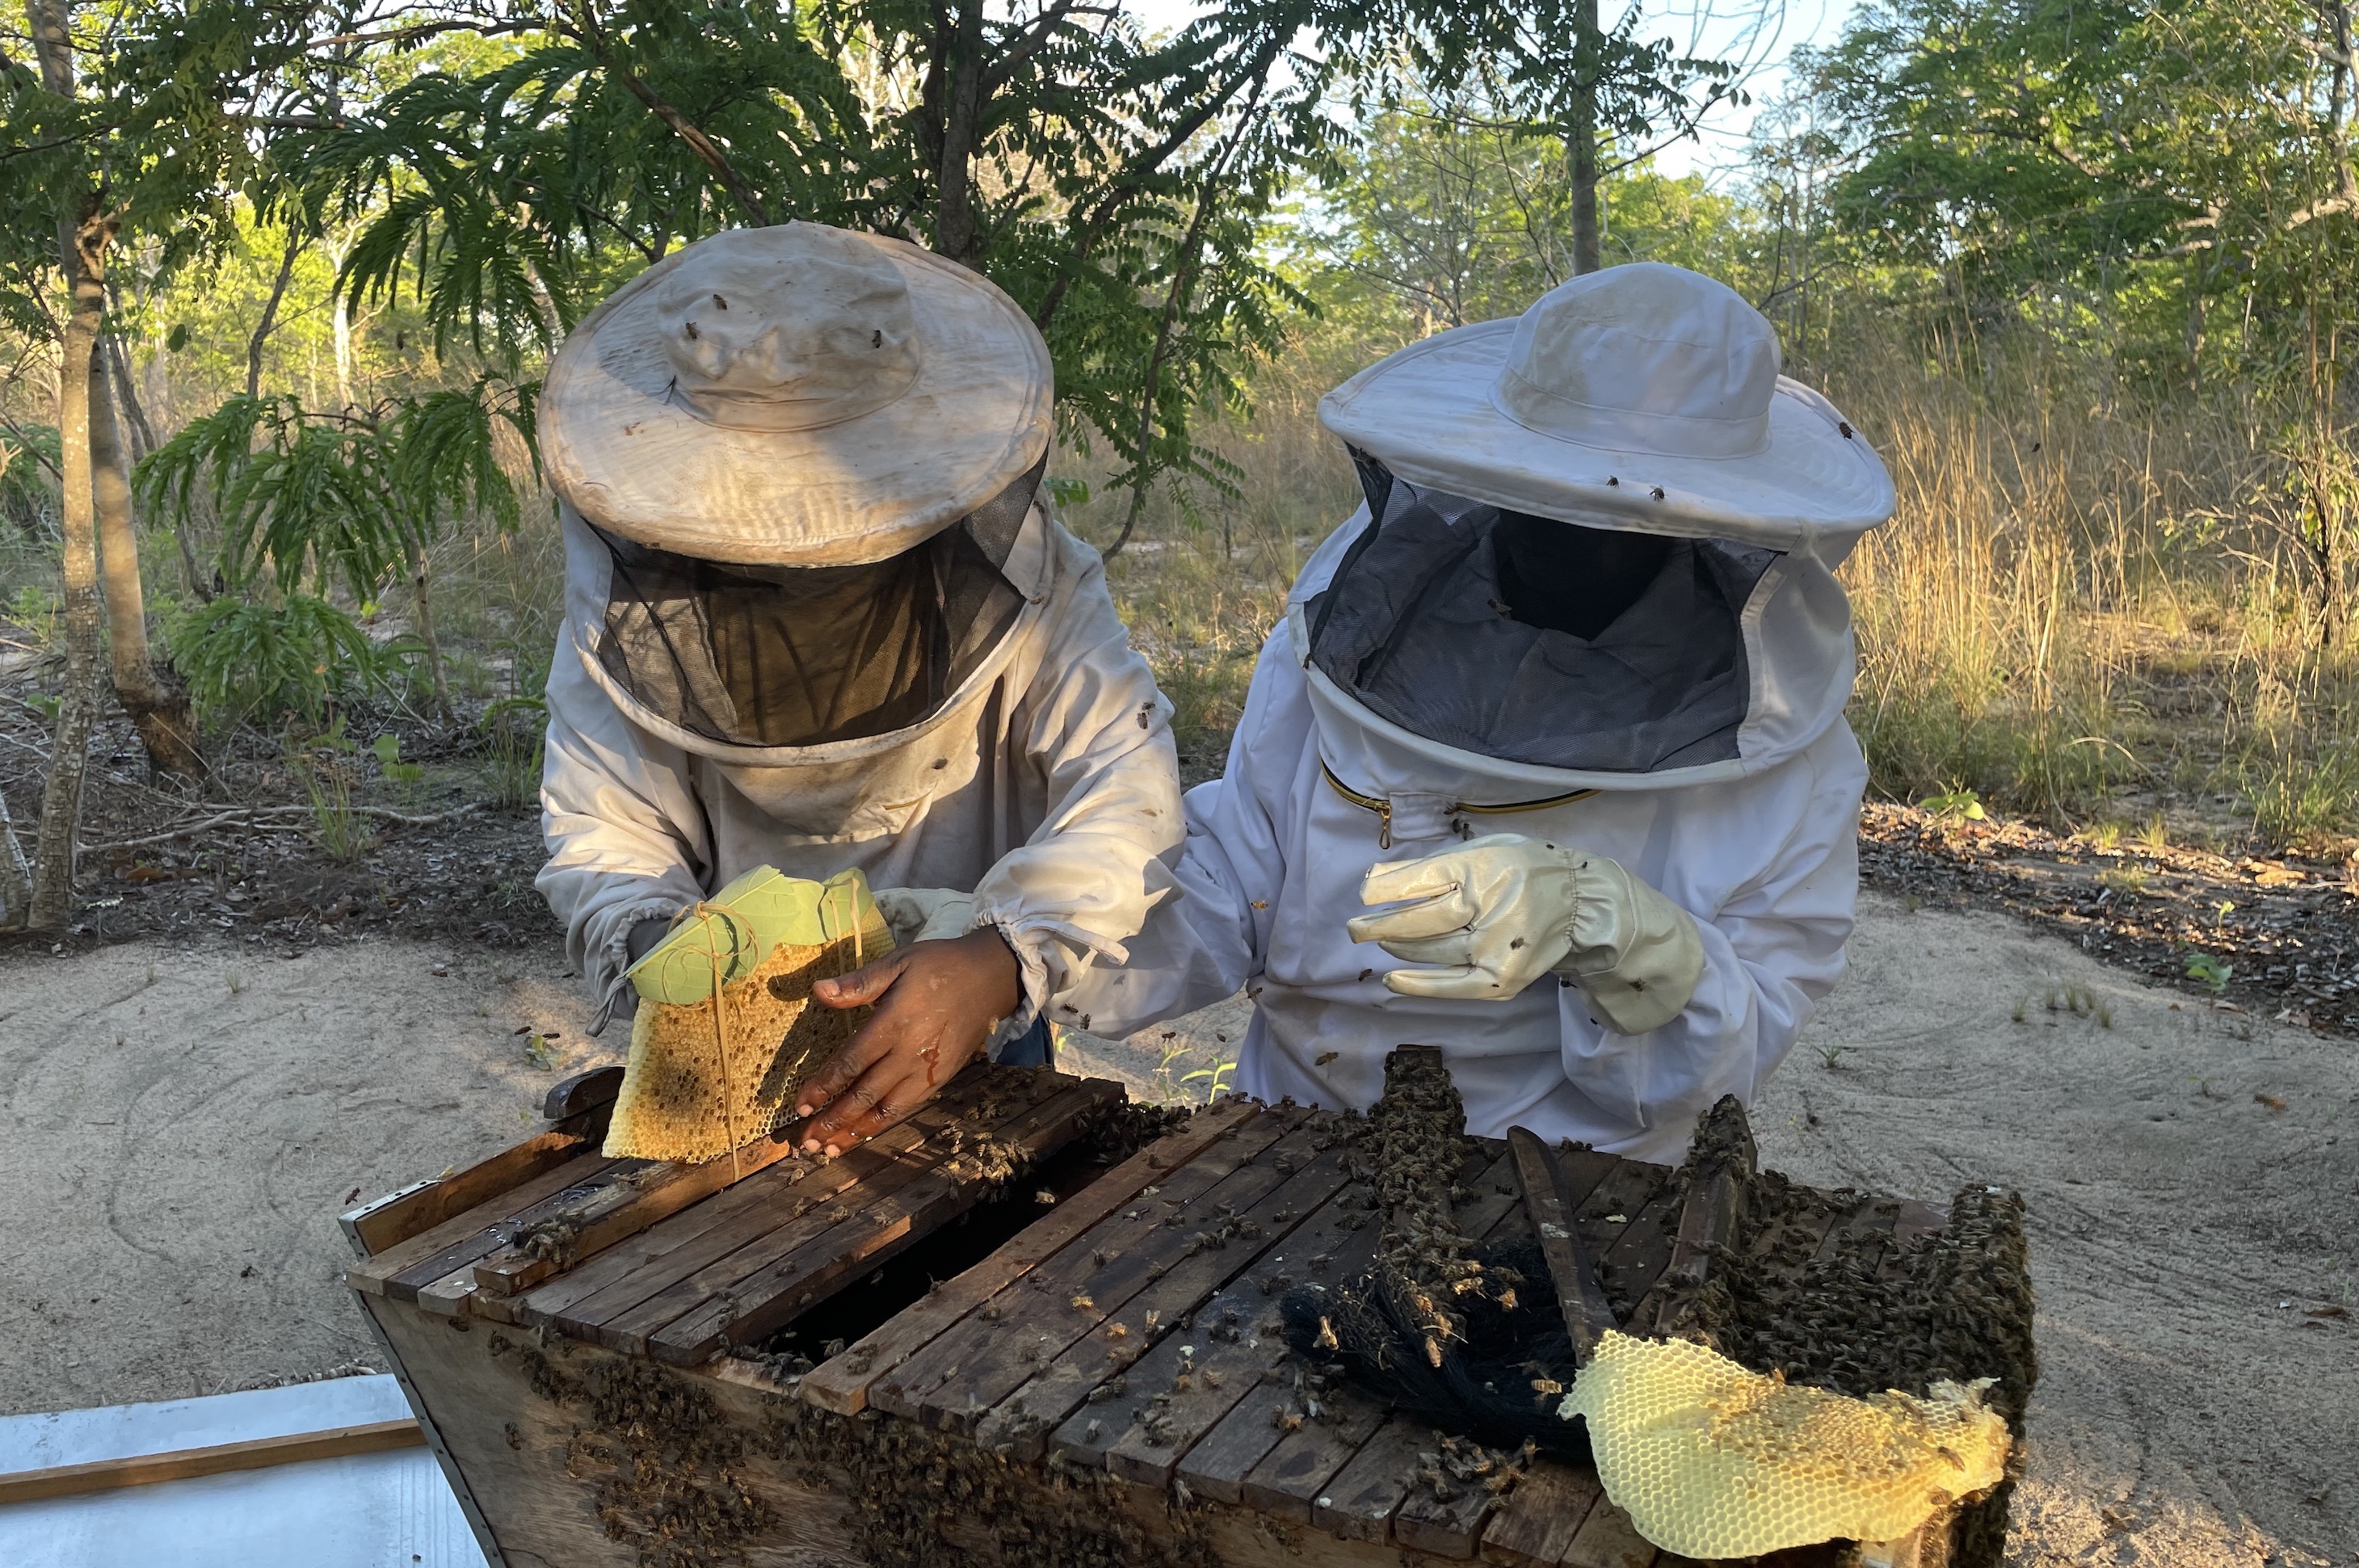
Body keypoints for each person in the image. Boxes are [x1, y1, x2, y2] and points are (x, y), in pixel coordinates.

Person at [1062, 263, 1894, 1162]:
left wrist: (1632, 946)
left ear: (1707, 526)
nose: (1554, 534)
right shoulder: (1354, 635)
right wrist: (1026, 940)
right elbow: (1240, 866)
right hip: (1289, 1137)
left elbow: (1725, 1061)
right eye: (1534, 490)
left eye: (1611, 513)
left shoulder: (1784, 753)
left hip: (1573, 1193)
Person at [533, 221, 1181, 1154]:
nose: (801, 570)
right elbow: (605, 828)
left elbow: (1126, 788)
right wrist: (667, 954)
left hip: (980, 1027)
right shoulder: (634, 611)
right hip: (736, 1050)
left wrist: (997, 960)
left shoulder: (1039, 586)